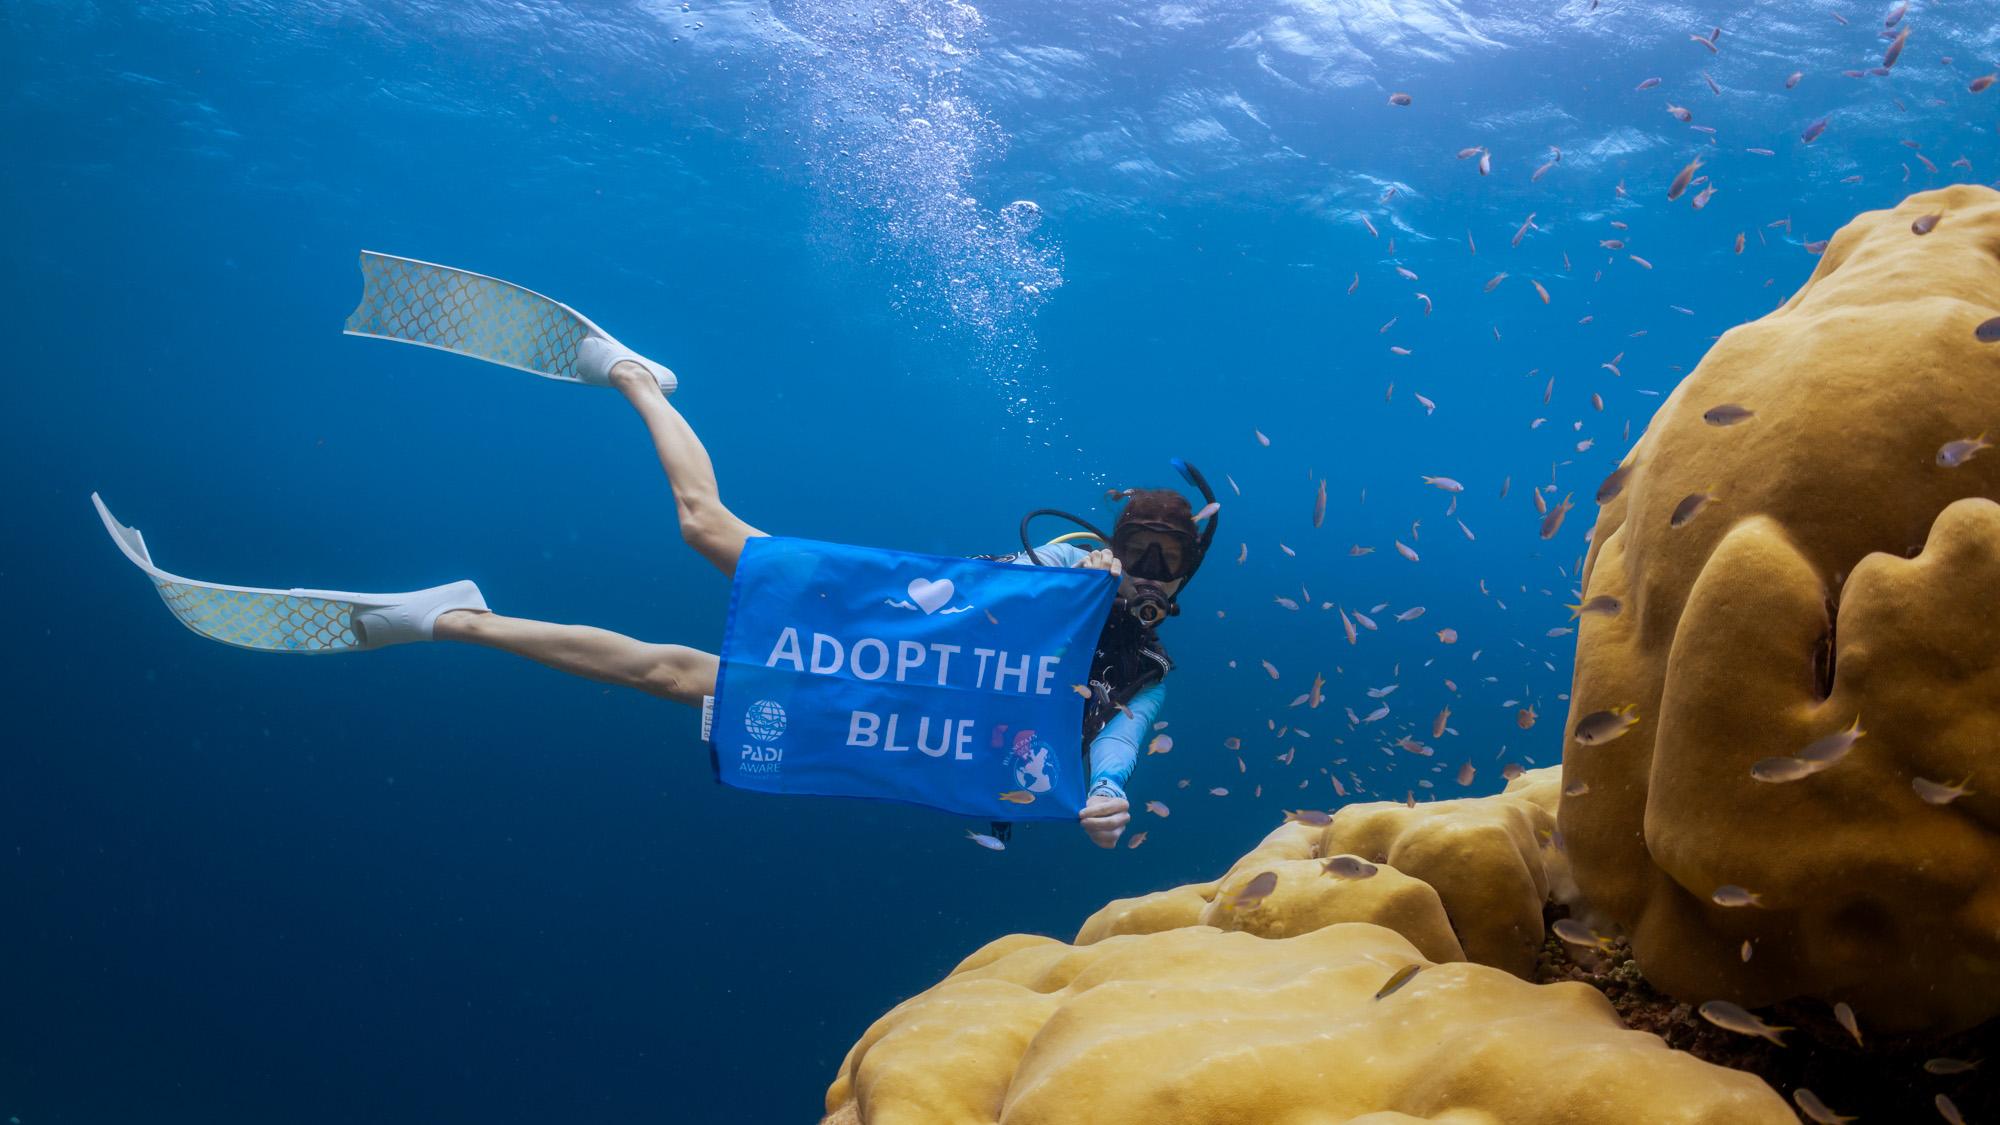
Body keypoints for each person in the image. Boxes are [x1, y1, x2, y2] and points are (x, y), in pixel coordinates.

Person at [94, 253, 1210, 846]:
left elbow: (1114, 757)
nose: (1147, 574)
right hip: (884, 634)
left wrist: (1104, 806)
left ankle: (444, 616)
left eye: (1167, 564)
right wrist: (1077, 570)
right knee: (701, 527)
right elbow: (1005, 589)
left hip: (896, 718)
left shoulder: (1145, 671)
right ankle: (629, 370)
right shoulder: (1069, 574)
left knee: (672, 674)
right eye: (1136, 550)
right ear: (1112, 541)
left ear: (1186, 579)